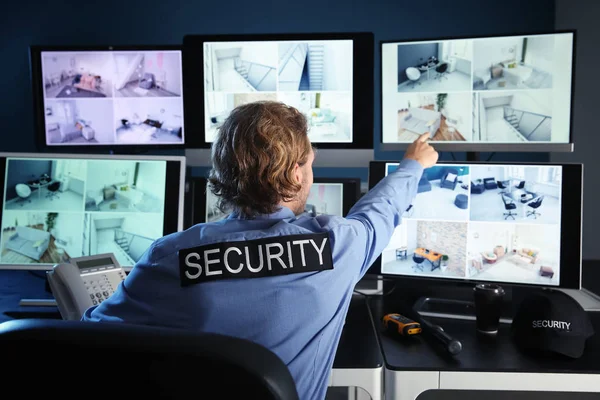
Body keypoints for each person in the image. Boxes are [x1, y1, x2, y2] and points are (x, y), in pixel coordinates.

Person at [82, 101, 438, 400]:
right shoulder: (337, 246)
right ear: (297, 175)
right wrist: (413, 164)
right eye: (310, 164)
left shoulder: (169, 257)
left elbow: (92, 337)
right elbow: (380, 209)